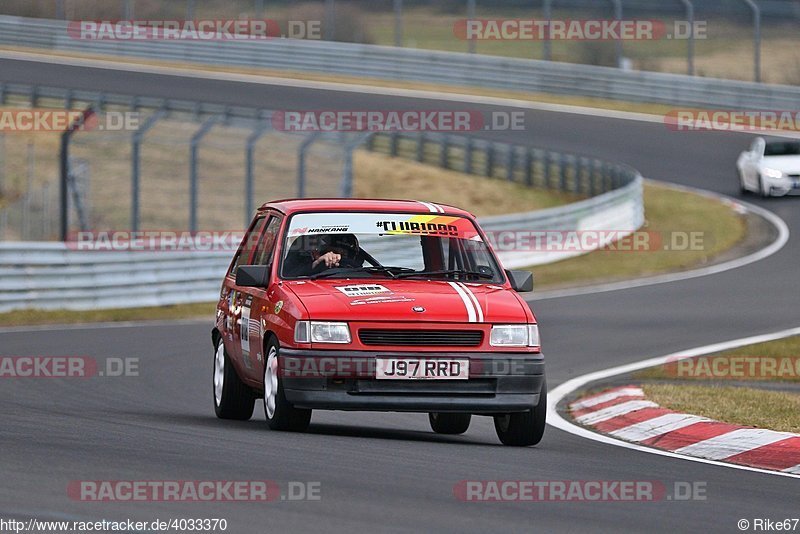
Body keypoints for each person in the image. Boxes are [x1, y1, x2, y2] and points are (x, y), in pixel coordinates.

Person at [283, 233, 361, 277]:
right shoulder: (302, 243)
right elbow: (286, 275)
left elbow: (360, 267)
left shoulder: (347, 238)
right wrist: (315, 265)